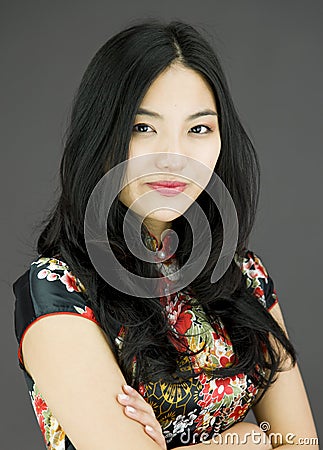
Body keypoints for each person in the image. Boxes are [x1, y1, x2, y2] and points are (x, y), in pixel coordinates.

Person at [13, 18, 318, 450]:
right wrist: (248, 440)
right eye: (143, 128)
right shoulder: (57, 291)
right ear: (101, 137)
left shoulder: (243, 276)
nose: (174, 157)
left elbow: (300, 444)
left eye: (198, 129)